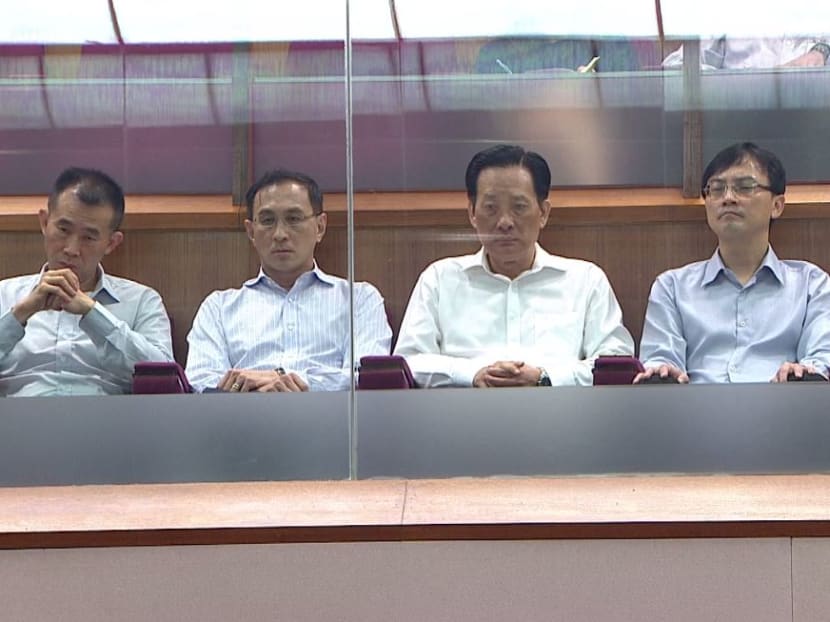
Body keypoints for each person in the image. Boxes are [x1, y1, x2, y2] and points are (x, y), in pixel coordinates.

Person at [393, 144, 634, 388]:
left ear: (543, 213)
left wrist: (544, 377)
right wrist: (473, 374)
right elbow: (408, 362)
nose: (505, 222)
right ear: (472, 213)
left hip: (561, 419)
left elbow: (617, 363)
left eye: (519, 207)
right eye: (490, 208)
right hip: (463, 419)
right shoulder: (439, 279)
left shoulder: (586, 280)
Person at [637, 142, 830, 384]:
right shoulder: (672, 287)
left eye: (745, 187)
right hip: (694, 415)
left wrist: (803, 373)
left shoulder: (812, 285)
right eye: (716, 189)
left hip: (784, 413)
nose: (728, 198)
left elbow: (822, 361)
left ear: (777, 205)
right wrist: (662, 372)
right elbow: (660, 359)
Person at [186, 169, 392, 392]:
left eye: (293, 219)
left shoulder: (359, 299)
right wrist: (250, 389)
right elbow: (199, 382)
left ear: (320, 227)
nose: (280, 234)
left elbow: (367, 377)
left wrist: (286, 380)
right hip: (242, 423)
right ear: (251, 231)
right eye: (267, 221)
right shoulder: (218, 308)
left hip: (332, 423)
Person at [0, 167, 173, 397]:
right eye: (63, 230)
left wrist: (93, 313)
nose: (71, 249)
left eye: (89, 238)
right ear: (44, 223)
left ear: (111, 243)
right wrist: (21, 312)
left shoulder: (142, 300)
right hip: (17, 423)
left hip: (109, 425)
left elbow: (164, 379)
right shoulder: (4, 294)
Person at [663, 37, 829, 69]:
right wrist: (739, 84)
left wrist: (821, 53)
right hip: (739, 131)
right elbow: (676, 65)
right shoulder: (731, 11)